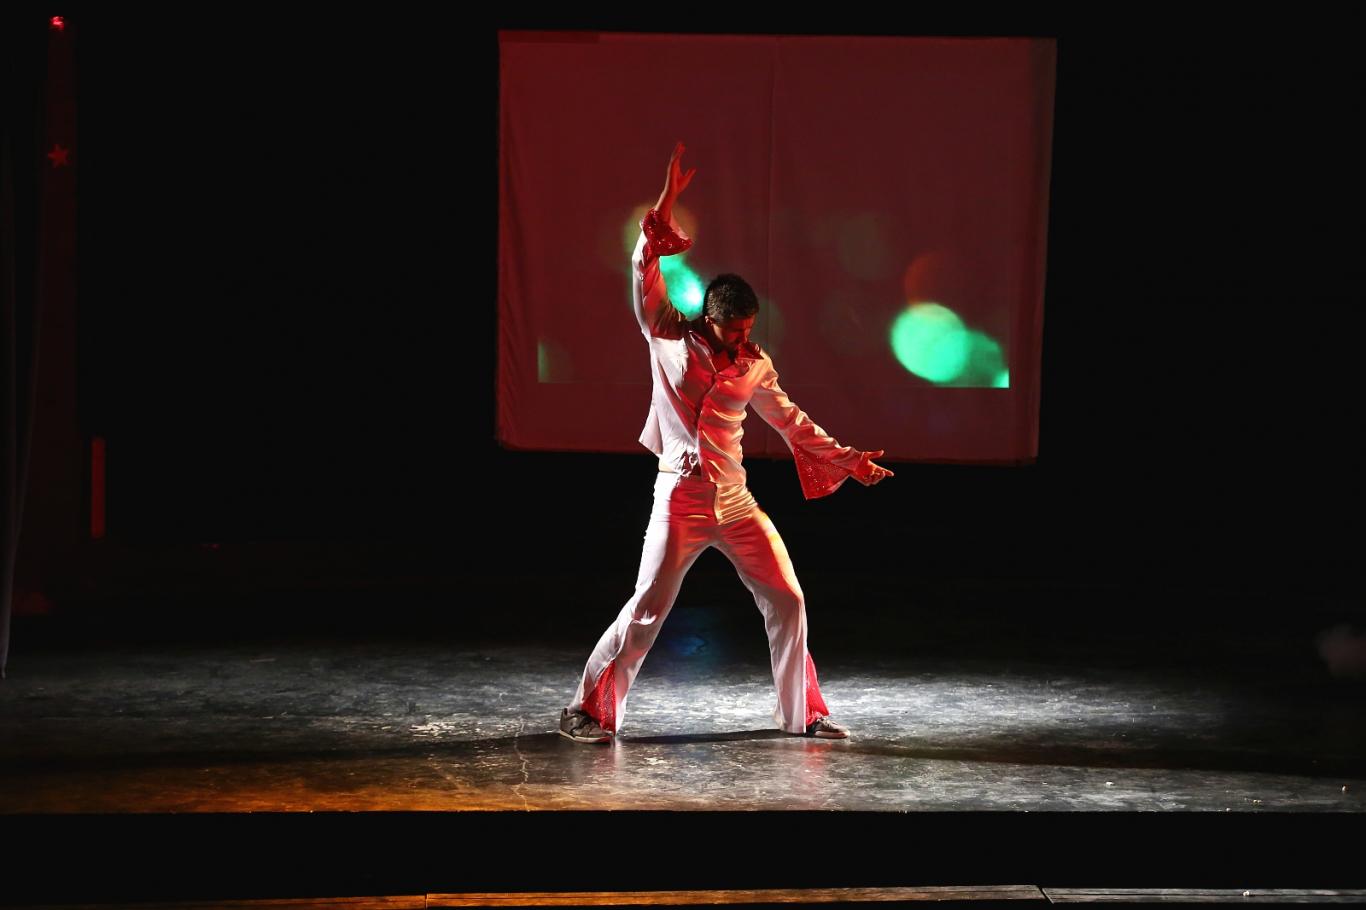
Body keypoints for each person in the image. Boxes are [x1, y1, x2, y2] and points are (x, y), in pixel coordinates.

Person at [559, 142, 893, 744]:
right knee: (647, 608)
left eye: (748, 329)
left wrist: (850, 460)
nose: (743, 338)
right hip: (679, 498)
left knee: (788, 600)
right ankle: (587, 709)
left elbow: (792, 422)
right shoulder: (667, 336)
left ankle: (803, 717)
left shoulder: (754, 365)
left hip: (735, 500)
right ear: (709, 317)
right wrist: (667, 202)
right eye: (734, 329)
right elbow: (643, 267)